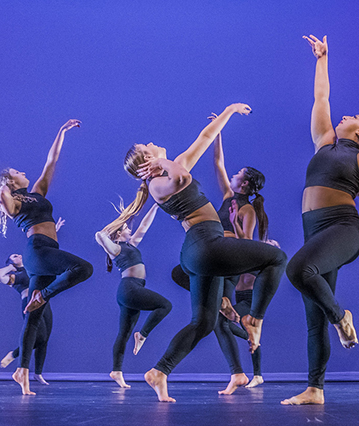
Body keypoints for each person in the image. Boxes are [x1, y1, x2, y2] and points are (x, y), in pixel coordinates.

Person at [111, 102, 288, 402]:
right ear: (148, 159)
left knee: (203, 323)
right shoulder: (157, 182)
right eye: (148, 145)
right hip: (205, 244)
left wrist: (229, 112)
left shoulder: (171, 167)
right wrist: (163, 164)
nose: (153, 142)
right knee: (277, 258)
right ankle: (253, 320)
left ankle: (160, 372)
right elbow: (180, 179)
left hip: (202, 251)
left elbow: (204, 139)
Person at [282, 35, 359, 406]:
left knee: (297, 271)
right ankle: (315, 388)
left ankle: (342, 318)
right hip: (314, 229)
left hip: (343, 229)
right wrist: (322, 59)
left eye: (354, 117)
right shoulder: (324, 142)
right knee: (313, 315)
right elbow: (321, 97)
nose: (344, 115)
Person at [0, 119, 93, 395]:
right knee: (84, 268)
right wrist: (2, 190)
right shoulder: (14, 201)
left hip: (45, 250)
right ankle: (44, 294)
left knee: (34, 318)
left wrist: (60, 133)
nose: (24, 171)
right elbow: (5, 201)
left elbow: (51, 163)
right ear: (11, 181)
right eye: (17, 172)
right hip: (38, 250)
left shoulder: (36, 192)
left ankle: (22, 372)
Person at [206, 115, 270, 394]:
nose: (232, 176)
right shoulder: (226, 197)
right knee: (217, 320)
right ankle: (240, 362)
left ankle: (244, 331)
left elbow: (247, 242)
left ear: (245, 184)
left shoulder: (247, 209)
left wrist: (233, 223)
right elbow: (218, 163)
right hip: (217, 256)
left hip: (231, 258)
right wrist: (217, 131)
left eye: (238, 175)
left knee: (216, 311)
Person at [95, 203, 172, 389]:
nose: (130, 229)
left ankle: (116, 371)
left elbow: (144, 226)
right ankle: (143, 335)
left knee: (123, 333)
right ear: (118, 233)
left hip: (133, 289)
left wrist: (156, 205)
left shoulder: (130, 245)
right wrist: (116, 224)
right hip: (129, 289)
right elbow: (99, 235)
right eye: (126, 228)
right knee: (165, 305)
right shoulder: (115, 249)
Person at [0, 250, 60, 387]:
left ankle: (38, 373)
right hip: (30, 303)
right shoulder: (16, 276)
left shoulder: (32, 269)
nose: (19, 255)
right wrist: (11, 267)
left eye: (18, 254)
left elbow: (42, 252)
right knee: (39, 336)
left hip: (44, 302)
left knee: (45, 339)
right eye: (14, 256)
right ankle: (13, 354)